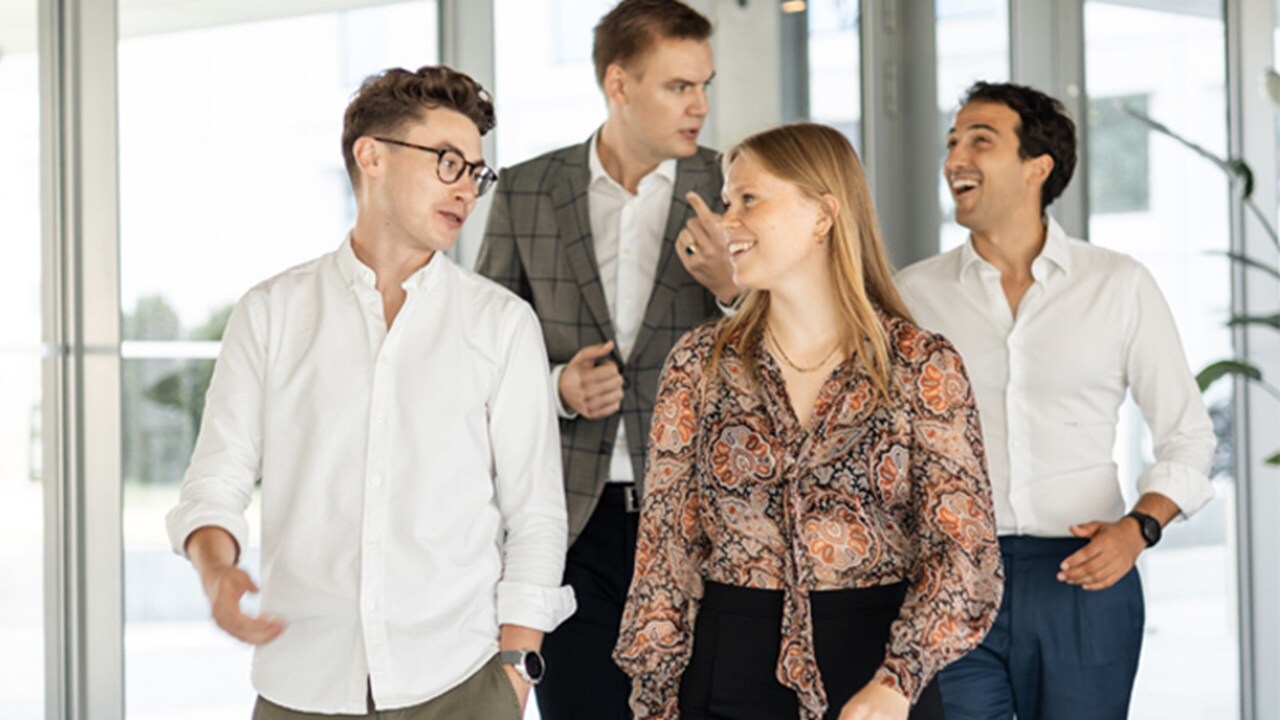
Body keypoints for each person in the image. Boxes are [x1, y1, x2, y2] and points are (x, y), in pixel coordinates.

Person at [165, 66, 575, 719]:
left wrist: (515, 674)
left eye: (476, 171)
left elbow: (535, 516)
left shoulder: (500, 325)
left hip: (461, 685)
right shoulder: (271, 313)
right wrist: (217, 573)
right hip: (300, 684)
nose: (467, 189)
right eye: (448, 163)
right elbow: (214, 484)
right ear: (371, 155)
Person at [613, 122, 1004, 720]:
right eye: (726, 202)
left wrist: (899, 681)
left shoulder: (922, 365)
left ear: (824, 215)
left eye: (749, 199)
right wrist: (654, 704)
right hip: (727, 667)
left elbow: (964, 554)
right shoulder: (698, 365)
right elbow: (665, 555)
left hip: (878, 673)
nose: (727, 222)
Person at [896, 81, 1217, 720]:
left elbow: (1189, 436)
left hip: (1082, 577)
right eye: (952, 141)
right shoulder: (912, 295)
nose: (955, 157)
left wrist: (1139, 529)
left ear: (1036, 168)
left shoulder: (1119, 285)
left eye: (979, 141)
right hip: (951, 578)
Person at [475, 1, 735, 717]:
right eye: (679, 87)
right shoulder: (528, 191)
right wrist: (556, 386)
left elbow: (789, 345)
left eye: (704, 85)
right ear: (618, 84)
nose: (701, 106)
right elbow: (478, 352)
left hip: (702, 522)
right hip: (570, 524)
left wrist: (732, 292)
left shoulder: (732, 188)